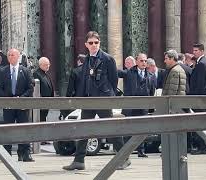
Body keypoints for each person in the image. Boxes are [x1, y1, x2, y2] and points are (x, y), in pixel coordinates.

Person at [63, 31, 130, 170]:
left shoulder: (108, 59)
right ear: (86, 44)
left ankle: (124, 158)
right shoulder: (87, 59)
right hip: (88, 100)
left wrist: (108, 96)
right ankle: (79, 161)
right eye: (91, 43)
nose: (94, 45)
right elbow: (85, 80)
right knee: (84, 130)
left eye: (96, 42)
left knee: (110, 129)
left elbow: (113, 81)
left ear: (99, 43)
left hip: (102, 100)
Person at [0, 48, 35, 162]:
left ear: (18, 56)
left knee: (24, 128)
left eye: (12, 55)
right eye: (8, 55)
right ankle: (7, 153)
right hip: (8, 104)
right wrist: (7, 98)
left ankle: (24, 153)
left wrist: (21, 98)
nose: (10, 57)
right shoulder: (2, 71)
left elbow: (30, 87)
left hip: (22, 104)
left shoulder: (25, 70)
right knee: (8, 129)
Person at [118, 53, 156, 158]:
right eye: (141, 61)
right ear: (137, 61)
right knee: (128, 129)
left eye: (145, 61)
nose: (144, 63)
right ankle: (126, 152)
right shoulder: (129, 72)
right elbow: (117, 73)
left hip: (143, 107)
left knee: (142, 129)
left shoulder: (151, 76)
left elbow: (152, 91)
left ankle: (141, 150)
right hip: (130, 106)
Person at [189, 43, 206, 155]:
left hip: (200, 97)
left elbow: (199, 83)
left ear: (202, 51)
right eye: (193, 50)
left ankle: (203, 147)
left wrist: (194, 97)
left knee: (200, 123)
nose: (194, 52)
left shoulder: (201, 64)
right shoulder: (205, 62)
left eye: (196, 50)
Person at [33, 57, 54, 145]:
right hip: (41, 102)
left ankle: (43, 138)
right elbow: (37, 88)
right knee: (40, 120)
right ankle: (40, 138)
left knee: (43, 119)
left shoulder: (45, 74)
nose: (48, 66)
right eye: (46, 64)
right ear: (40, 65)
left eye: (48, 64)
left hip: (46, 102)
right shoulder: (37, 74)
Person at [59, 54, 86, 120]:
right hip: (89, 98)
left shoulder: (75, 71)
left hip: (77, 99)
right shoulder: (90, 71)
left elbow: (70, 88)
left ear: (79, 61)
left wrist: (68, 98)